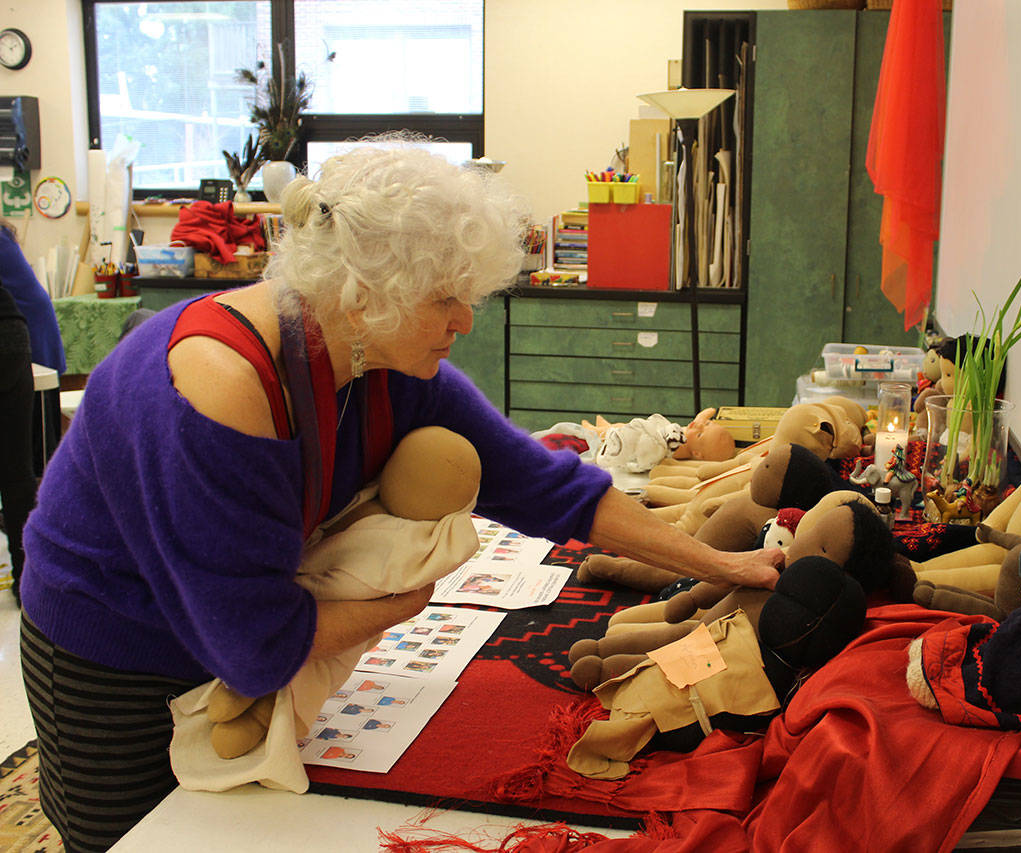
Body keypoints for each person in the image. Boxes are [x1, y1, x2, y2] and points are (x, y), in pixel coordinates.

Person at [18, 137, 781, 852]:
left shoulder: (382, 360)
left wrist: (723, 564)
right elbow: (255, 647)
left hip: (228, 631)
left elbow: (551, 490)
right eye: (443, 297)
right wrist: (406, 602)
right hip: (111, 653)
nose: (466, 318)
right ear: (361, 294)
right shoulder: (222, 390)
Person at [0, 220, 64, 605]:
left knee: (22, 468)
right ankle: (29, 582)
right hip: (14, 337)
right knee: (18, 470)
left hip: (17, 336)